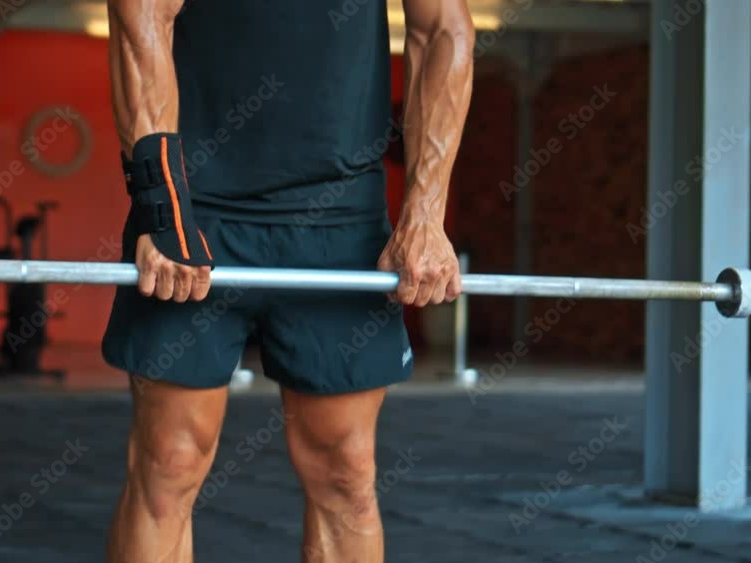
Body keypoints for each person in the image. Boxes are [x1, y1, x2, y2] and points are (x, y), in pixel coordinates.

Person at [101, 0, 474, 561]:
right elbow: (141, 21)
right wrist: (165, 210)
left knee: (345, 470)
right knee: (168, 462)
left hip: (339, 218)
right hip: (199, 209)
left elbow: (443, 27)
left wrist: (424, 215)